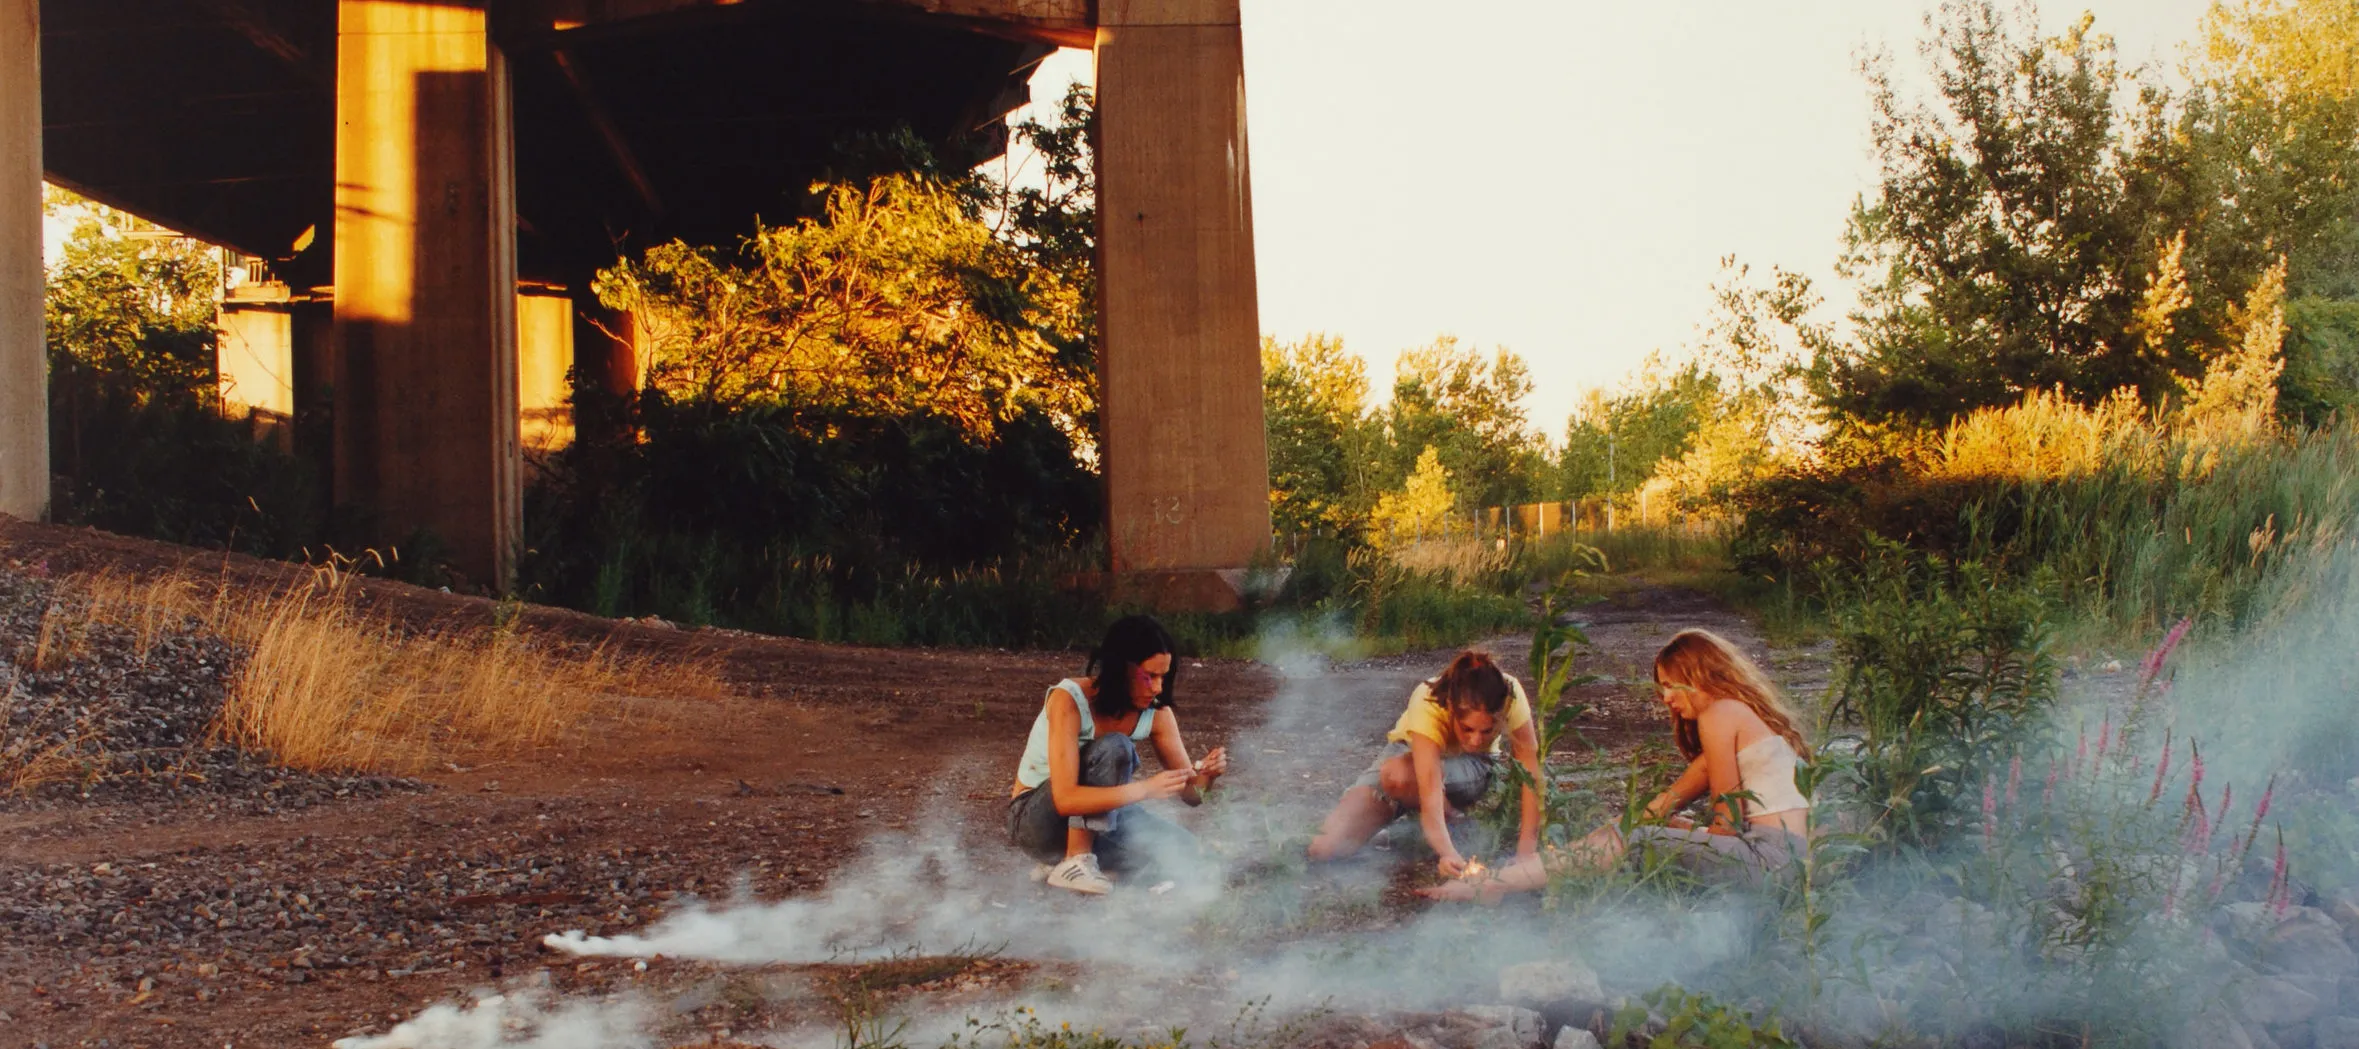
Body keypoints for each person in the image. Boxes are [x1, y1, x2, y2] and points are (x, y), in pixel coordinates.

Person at [1420, 629, 1811, 902]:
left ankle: (1495, 883)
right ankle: (1503, 879)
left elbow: (1726, 824)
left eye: (1673, 685)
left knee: (1636, 841)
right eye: (1662, 689)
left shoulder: (1721, 714)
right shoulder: (1739, 720)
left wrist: (1639, 833)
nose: (1667, 699)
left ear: (1701, 675)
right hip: (1783, 860)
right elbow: (1659, 806)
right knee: (1639, 826)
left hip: (1771, 862)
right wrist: (1620, 831)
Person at [1007, 615, 1229, 895]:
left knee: (1187, 854)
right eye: (1149, 677)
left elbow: (1193, 796)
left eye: (1164, 676)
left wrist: (1208, 776)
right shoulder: (1069, 699)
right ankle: (1076, 861)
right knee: (1115, 747)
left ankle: (1069, 867)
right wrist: (1145, 789)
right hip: (1036, 822)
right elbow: (1064, 800)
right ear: (1120, 669)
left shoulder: (1157, 714)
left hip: (1100, 818)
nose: (1158, 688)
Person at [1307, 649, 1545, 879]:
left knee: (1400, 774)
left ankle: (1450, 827)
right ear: (1451, 708)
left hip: (1472, 765)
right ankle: (1447, 824)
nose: (1475, 739)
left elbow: (1530, 773)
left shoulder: (1510, 693)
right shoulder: (1427, 697)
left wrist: (1526, 850)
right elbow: (1430, 788)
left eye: (1487, 731)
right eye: (1467, 729)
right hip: (1410, 757)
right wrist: (1448, 852)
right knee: (1324, 848)